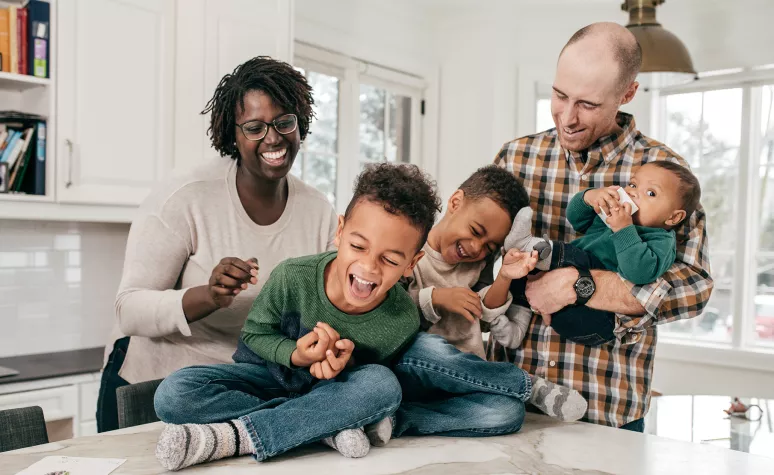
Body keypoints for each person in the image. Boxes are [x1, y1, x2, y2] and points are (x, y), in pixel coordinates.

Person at [490, 22, 713, 432]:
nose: (568, 117)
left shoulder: (665, 178)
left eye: (588, 104)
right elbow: (477, 258)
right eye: (559, 95)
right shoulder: (515, 157)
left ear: (627, 94)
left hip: (607, 411)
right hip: (507, 400)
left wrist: (580, 285)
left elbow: (694, 287)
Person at [96, 57, 339, 432]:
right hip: (155, 385)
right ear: (233, 135)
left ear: (300, 124)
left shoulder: (318, 210)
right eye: (254, 127)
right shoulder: (186, 197)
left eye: (283, 122)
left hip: (243, 392)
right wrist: (207, 295)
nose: (272, 138)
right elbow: (128, 309)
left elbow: (327, 306)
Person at [152, 163, 439, 470]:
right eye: (358, 246)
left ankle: (239, 436)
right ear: (340, 232)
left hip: (330, 394)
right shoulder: (292, 277)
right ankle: (321, 429)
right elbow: (253, 335)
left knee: (384, 386)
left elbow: (367, 380)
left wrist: (347, 363)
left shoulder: (401, 318)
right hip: (268, 379)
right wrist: (297, 354)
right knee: (173, 394)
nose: (369, 267)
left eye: (390, 259)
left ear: (411, 263)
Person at [392, 165, 588, 441]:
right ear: (455, 202)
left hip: (463, 379)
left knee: (508, 412)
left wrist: (505, 276)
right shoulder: (410, 247)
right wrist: (435, 298)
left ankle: (399, 418)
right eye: (475, 230)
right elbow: (387, 312)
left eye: (489, 246)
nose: (475, 247)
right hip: (414, 367)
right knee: (429, 347)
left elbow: (484, 316)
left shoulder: (478, 265)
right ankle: (524, 384)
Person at [496, 161, 701, 347]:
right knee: (521, 282)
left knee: (578, 260)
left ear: (674, 217)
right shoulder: (613, 215)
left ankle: (525, 245)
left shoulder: (661, 240)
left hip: (595, 321)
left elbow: (639, 273)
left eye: (651, 194)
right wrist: (589, 198)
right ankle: (514, 332)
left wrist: (623, 229)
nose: (633, 193)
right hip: (562, 311)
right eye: (632, 184)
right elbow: (576, 219)